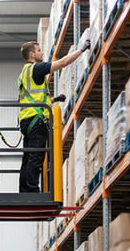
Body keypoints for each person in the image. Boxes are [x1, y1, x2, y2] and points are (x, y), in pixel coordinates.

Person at [18, 39, 91, 192]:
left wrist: (54, 99)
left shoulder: (23, 73)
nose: (42, 53)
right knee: (36, 157)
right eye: (39, 50)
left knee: (28, 157)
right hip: (37, 120)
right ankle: (32, 192)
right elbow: (63, 63)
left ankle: (24, 190)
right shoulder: (36, 68)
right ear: (32, 54)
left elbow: (32, 97)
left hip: (26, 120)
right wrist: (81, 50)